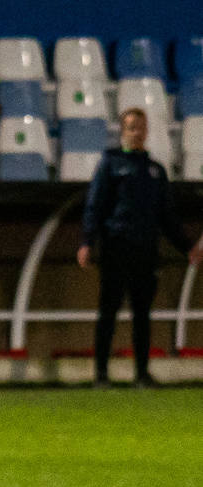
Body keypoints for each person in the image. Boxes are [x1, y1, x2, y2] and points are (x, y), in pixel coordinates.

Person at [78, 108, 203, 388]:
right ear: (123, 130)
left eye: (141, 127)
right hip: (116, 247)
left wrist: (187, 247)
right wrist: (87, 241)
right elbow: (95, 206)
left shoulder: (155, 171)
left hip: (146, 251)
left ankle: (142, 374)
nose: (137, 132)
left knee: (142, 313)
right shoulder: (110, 164)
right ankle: (100, 375)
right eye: (132, 127)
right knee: (108, 310)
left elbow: (167, 216)